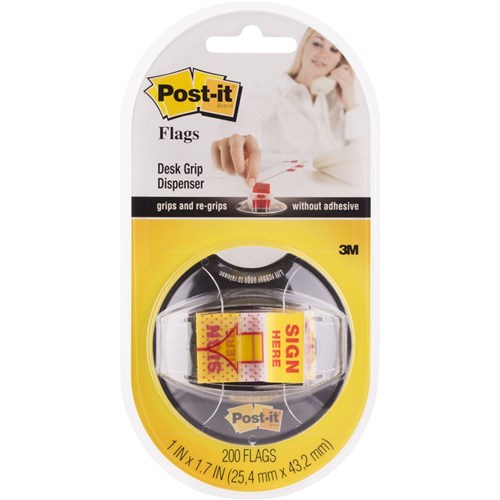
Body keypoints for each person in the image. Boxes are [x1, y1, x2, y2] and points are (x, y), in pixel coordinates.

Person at [211, 27, 362, 187]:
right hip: (284, 189)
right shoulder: (273, 88)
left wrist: (350, 105)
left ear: (340, 62)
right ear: (303, 46)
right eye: (317, 43)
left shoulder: (340, 101)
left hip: (334, 192)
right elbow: (245, 118)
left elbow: (361, 156)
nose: (324, 54)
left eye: (334, 50)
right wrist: (237, 137)